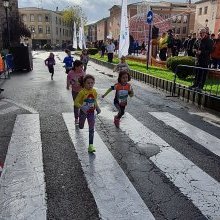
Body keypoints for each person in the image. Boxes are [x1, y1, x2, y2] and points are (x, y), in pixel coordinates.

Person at [74, 74, 101, 153]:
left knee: (91, 129)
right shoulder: (82, 92)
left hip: (91, 113)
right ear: (84, 83)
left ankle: (90, 146)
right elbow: (76, 102)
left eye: (92, 83)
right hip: (83, 113)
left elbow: (94, 100)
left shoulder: (94, 91)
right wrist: (82, 107)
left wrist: (97, 108)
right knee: (81, 127)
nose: (90, 85)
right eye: (88, 83)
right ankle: (80, 123)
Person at [67, 60, 85, 124]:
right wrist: (68, 85)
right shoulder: (71, 72)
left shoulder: (82, 72)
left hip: (82, 92)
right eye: (80, 67)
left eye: (82, 67)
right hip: (74, 91)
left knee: (82, 104)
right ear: (76, 67)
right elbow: (68, 78)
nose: (82, 68)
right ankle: (76, 118)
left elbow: (85, 81)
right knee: (76, 105)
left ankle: (81, 116)